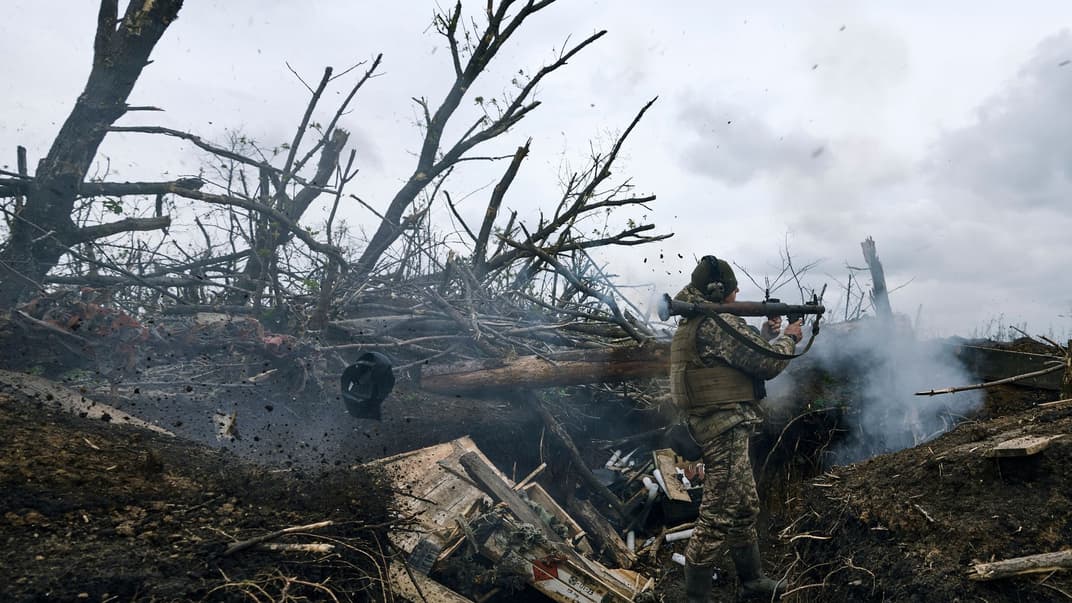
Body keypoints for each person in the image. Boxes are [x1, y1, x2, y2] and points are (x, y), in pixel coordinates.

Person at [670, 255, 803, 602]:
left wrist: (763, 334)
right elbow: (768, 363)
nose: (737, 292)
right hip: (723, 428)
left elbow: (737, 358)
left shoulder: (697, 318)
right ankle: (696, 597)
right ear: (718, 291)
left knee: (744, 506)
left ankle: (752, 580)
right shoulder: (716, 321)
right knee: (717, 517)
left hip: (718, 423)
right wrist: (790, 337)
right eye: (731, 289)